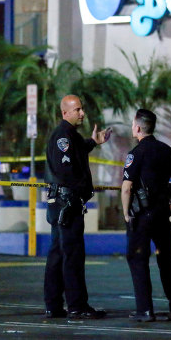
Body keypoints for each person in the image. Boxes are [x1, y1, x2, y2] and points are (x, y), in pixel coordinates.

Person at [43, 94, 111, 319]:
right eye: (78, 110)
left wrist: (94, 142)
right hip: (67, 203)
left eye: (82, 109)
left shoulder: (69, 135)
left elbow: (78, 149)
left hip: (61, 203)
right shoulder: (63, 136)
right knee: (72, 254)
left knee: (58, 253)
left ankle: (53, 305)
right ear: (65, 112)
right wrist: (80, 191)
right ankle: (77, 305)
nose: (82, 113)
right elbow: (66, 171)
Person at [121, 108, 171, 322]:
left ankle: (145, 310)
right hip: (162, 215)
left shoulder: (136, 153)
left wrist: (125, 213)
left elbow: (126, 187)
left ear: (138, 127)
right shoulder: (167, 150)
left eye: (133, 124)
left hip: (141, 217)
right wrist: (170, 200)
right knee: (166, 260)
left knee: (138, 259)